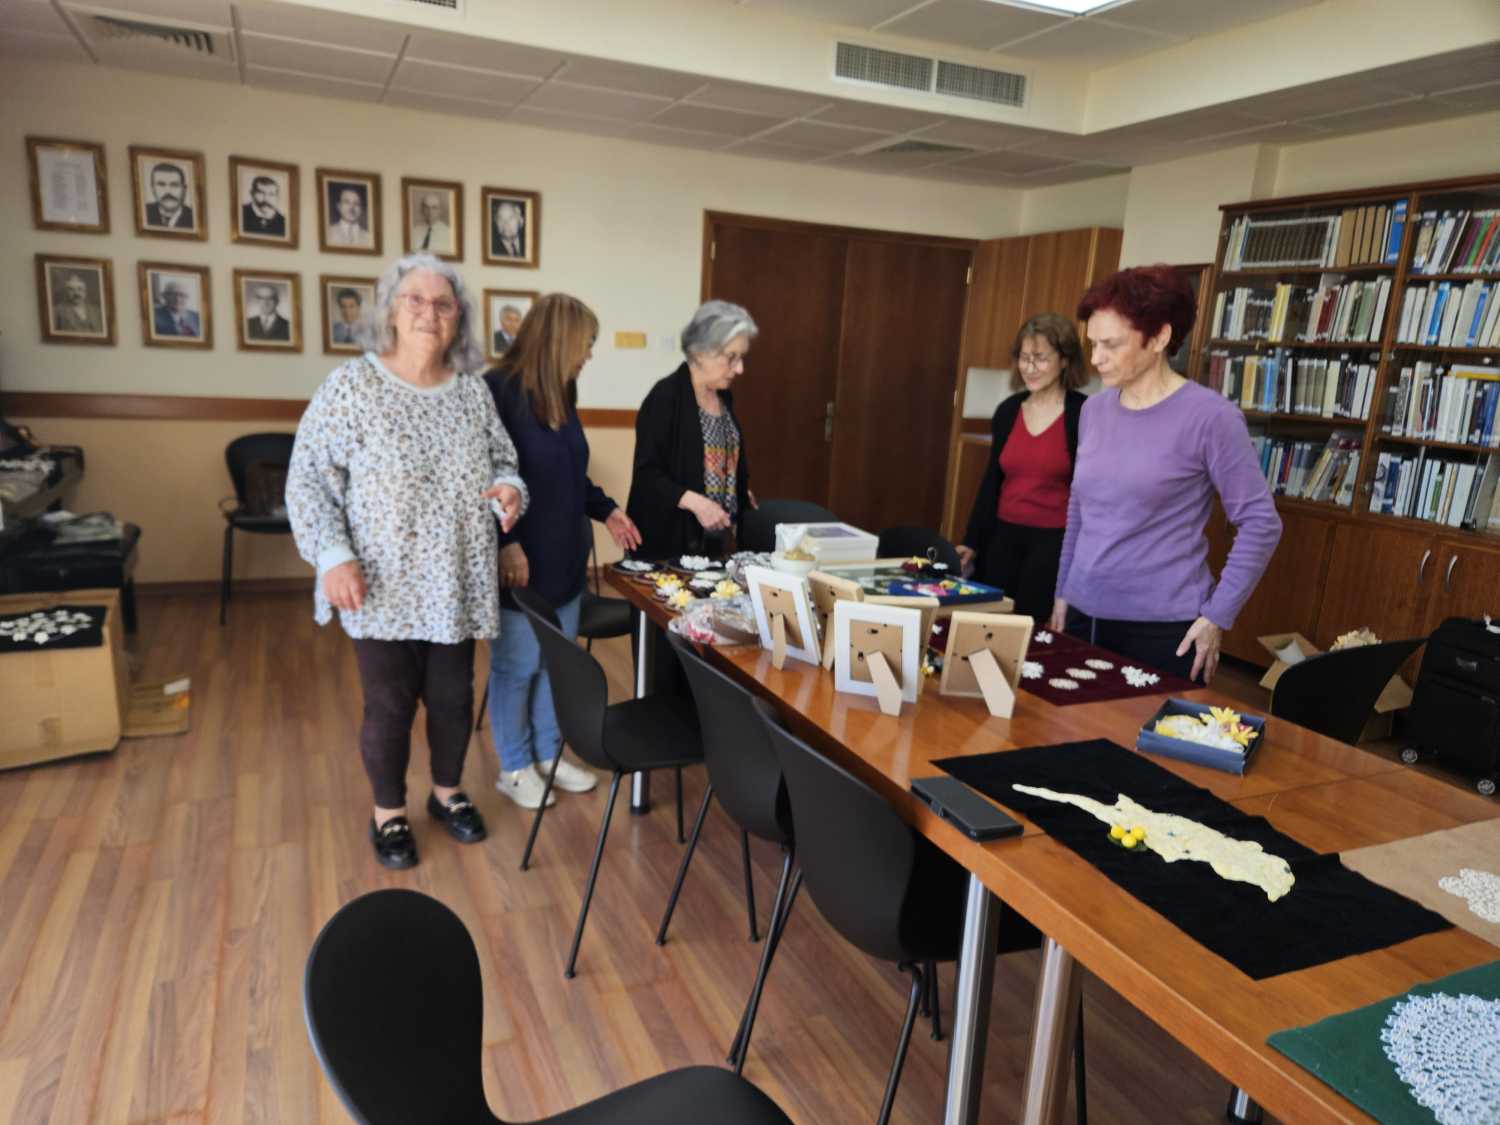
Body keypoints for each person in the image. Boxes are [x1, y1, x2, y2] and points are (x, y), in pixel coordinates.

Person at [286, 252, 528, 869]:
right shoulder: (352, 386)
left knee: (452, 698)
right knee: (390, 704)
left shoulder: (471, 392)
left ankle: (447, 794)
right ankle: (388, 812)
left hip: (456, 580)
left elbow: (504, 460)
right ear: (390, 311)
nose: (428, 313)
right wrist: (333, 556)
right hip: (380, 585)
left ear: (458, 318)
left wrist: (509, 490)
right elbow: (308, 479)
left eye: (443, 303)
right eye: (414, 300)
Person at [1051, 264, 1281, 684]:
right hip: (1083, 613)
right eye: (1093, 343)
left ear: (1159, 337)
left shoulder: (1212, 418)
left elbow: (1261, 523)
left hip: (1163, 629)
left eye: (1111, 344)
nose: (1096, 358)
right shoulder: (1093, 410)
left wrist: (1217, 615)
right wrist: (1063, 591)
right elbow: (1079, 509)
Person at [483, 293, 642, 808]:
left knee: (557, 665)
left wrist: (608, 510)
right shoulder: (497, 391)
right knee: (517, 666)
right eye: (587, 343)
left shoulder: (562, 393)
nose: (590, 354)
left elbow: (573, 474)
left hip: (565, 559)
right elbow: (485, 480)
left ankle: (547, 756)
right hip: (521, 561)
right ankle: (514, 766)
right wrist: (506, 543)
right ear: (562, 339)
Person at [958, 313, 1087, 622]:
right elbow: (992, 481)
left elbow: (1088, 492)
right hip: (1001, 539)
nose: (1029, 368)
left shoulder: (1083, 413)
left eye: (1040, 358)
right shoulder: (1008, 411)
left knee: (1033, 631)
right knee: (990, 625)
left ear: (1064, 360)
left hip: (1053, 544)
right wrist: (972, 541)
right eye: (1024, 358)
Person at [627, 300, 756, 561]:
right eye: (731, 357)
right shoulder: (665, 398)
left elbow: (718, 459)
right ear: (701, 352)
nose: (740, 368)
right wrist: (697, 503)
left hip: (715, 543)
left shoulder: (723, 397)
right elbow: (647, 476)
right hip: (669, 544)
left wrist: (736, 489)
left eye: (741, 357)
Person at [144, 162, 193, 229]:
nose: (168, 191)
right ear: (152, 188)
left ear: (184, 189)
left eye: (174, 185)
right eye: (161, 184)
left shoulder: (193, 217)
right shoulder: (144, 213)